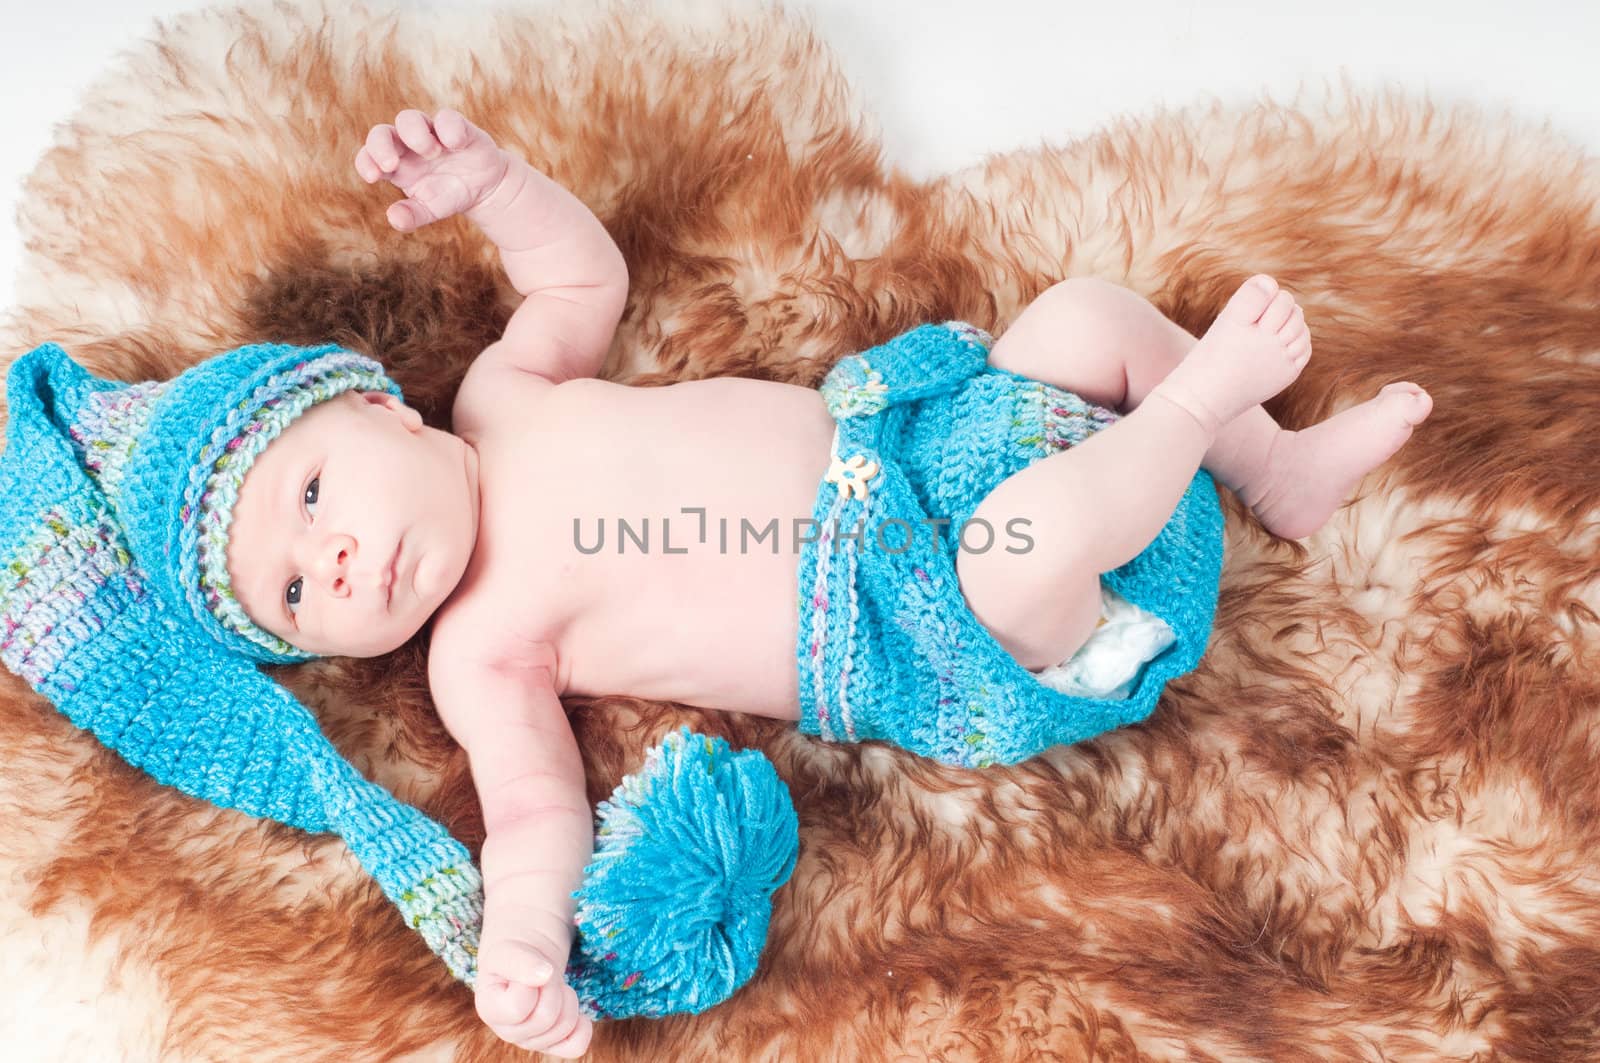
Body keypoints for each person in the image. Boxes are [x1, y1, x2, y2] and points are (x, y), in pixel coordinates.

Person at [220, 108, 1430, 1054]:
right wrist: (523, 940)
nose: (327, 561)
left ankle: (1272, 464)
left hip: (916, 443)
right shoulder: (475, 651)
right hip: (930, 626)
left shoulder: (501, 391)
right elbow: (537, 812)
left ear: (375, 405)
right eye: (290, 598)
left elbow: (577, 281)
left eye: (314, 495)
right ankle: (1194, 408)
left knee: (1078, 318)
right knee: (1033, 533)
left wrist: (495, 190)